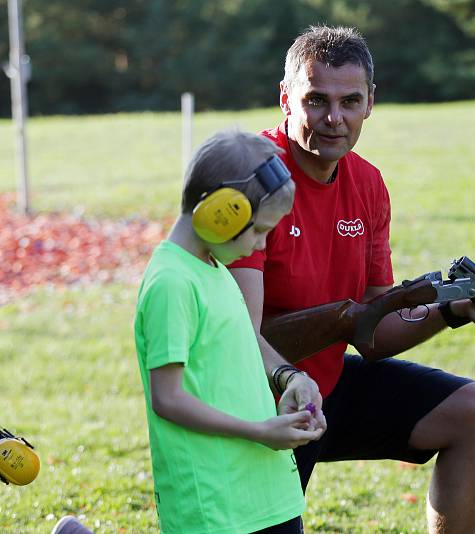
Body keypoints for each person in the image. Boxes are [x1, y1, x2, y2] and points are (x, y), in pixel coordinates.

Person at [229, 26, 475, 534]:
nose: (334, 118)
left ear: (371, 102)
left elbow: (373, 334)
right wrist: (294, 377)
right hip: (254, 404)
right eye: (316, 100)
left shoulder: (368, 184)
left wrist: (452, 308)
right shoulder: (253, 178)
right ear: (284, 100)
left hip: (325, 387)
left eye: (350, 101)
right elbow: (240, 336)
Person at [134, 129, 324, 533]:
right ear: (220, 212)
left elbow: (237, 356)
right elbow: (167, 398)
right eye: (257, 230)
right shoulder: (172, 282)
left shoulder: (215, 271)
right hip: (216, 505)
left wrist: (292, 381)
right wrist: (257, 431)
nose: (259, 245)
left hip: (265, 490)